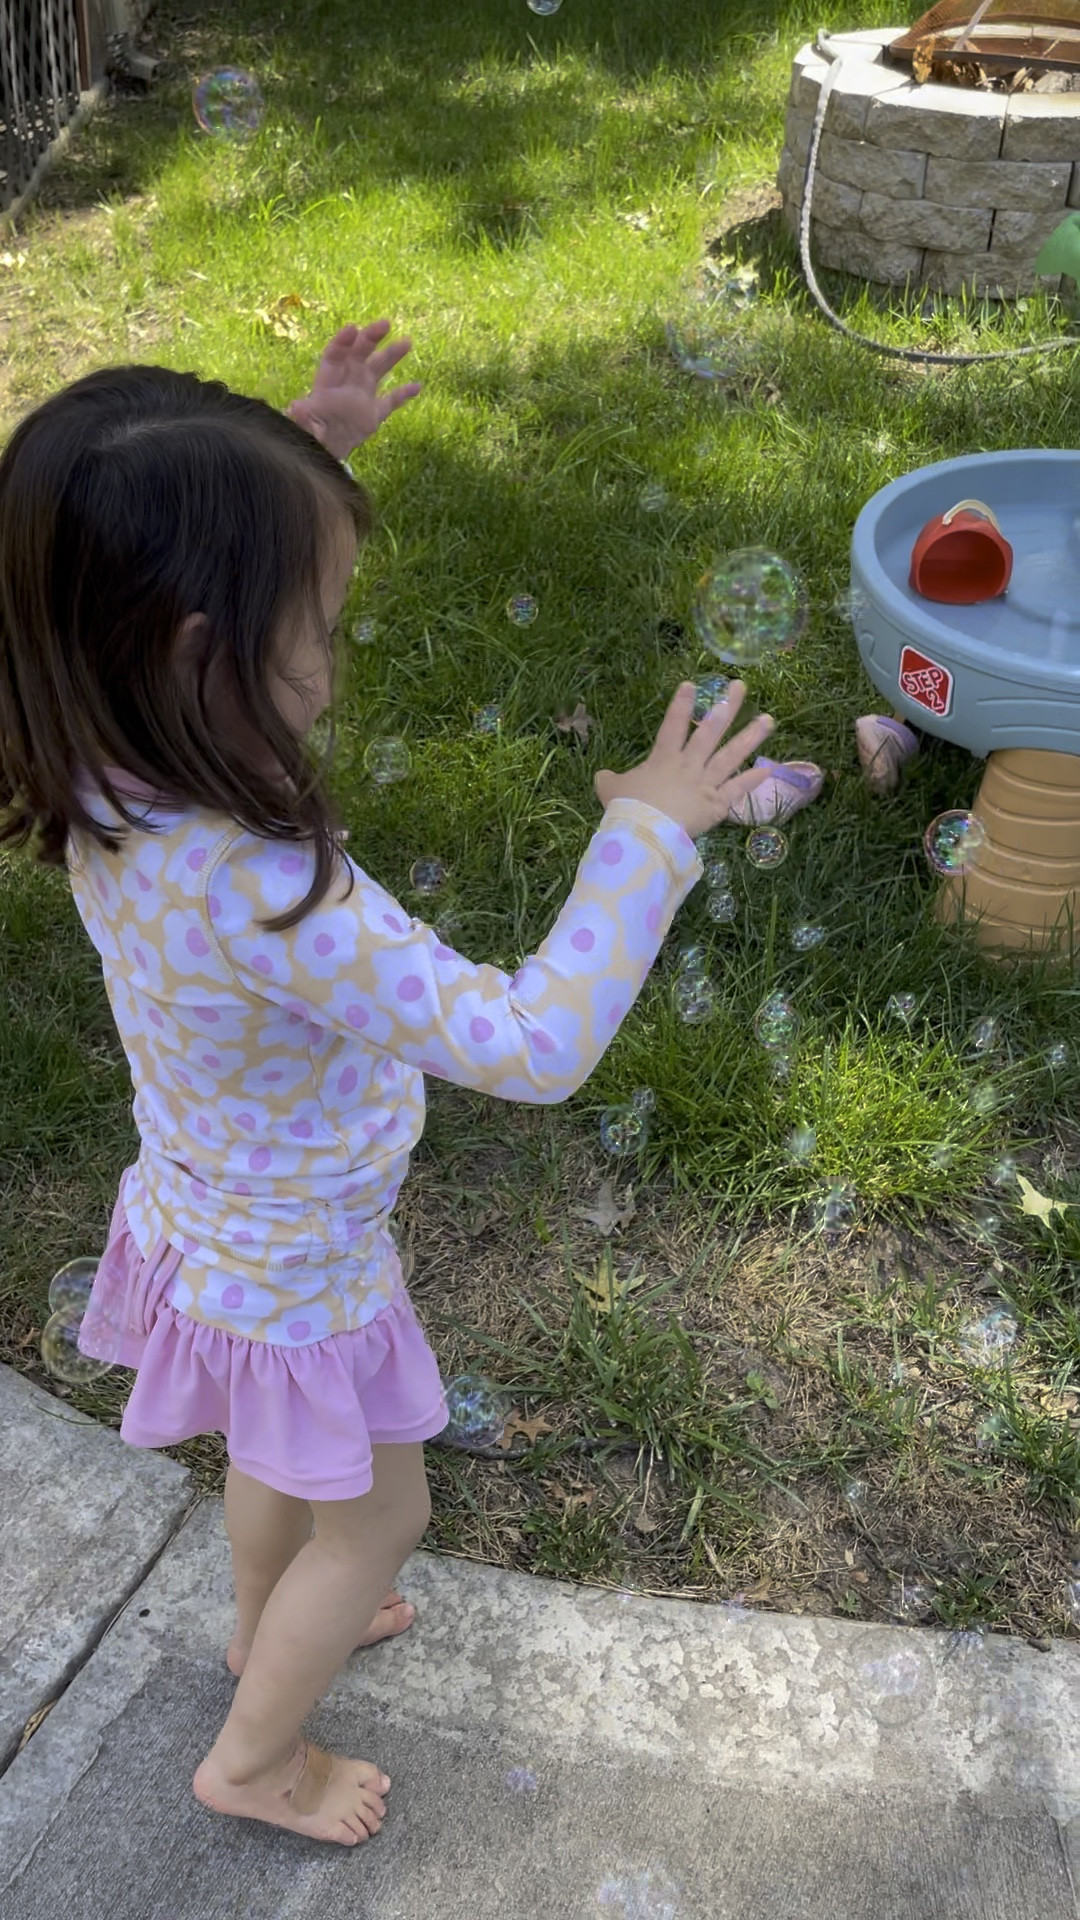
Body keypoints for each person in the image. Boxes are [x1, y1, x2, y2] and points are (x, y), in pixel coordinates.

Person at [0, 321, 776, 1847]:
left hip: (203, 1220)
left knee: (274, 1471)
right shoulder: (277, 895)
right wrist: (651, 831)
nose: (333, 658)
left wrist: (304, 456)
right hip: (305, 1266)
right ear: (199, 653)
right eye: (322, 627)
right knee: (385, 1515)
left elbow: (129, 579)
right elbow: (534, 1046)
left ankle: (262, 1621)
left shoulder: (92, 764)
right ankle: (256, 1757)